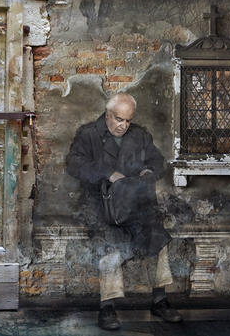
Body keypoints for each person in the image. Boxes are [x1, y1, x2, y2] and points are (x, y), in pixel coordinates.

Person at [66, 93, 183, 330]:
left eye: (128, 120)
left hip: (136, 204)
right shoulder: (88, 134)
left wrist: (149, 171)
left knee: (157, 239)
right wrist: (106, 173)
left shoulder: (139, 135)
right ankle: (107, 307)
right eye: (119, 119)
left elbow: (158, 161)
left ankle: (159, 301)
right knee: (110, 246)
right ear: (108, 115)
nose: (123, 125)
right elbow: (74, 165)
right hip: (101, 207)